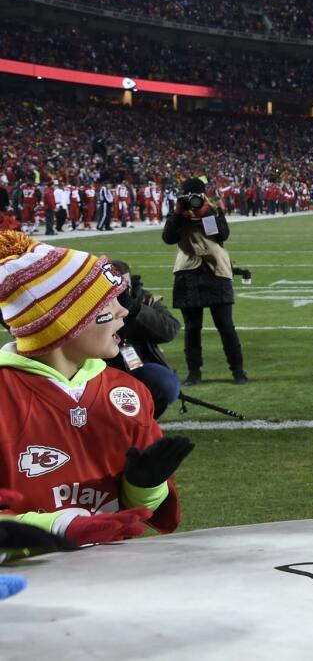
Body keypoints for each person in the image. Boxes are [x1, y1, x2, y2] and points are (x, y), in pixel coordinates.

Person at [0, 231, 191, 551]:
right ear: (62, 321)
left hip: (113, 584)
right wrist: (60, 528)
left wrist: (144, 485)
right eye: (107, 303)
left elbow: (145, 511)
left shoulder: (128, 392)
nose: (124, 312)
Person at [162, 177, 248, 385]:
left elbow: (221, 235)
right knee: (192, 328)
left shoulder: (213, 209)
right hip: (188, 272)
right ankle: (194, 373)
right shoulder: (179, 213)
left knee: (226, 326)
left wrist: (205, 215)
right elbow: (168, 238)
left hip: (216, 270)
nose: (194, 199)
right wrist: (178, 215)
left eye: (197, 195)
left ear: (204, 194)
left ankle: (238, 371)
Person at [104, 260, 182, 420]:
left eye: (125, 286)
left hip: (137, 361)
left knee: (164, 383)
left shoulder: (145, 300)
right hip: (102, 363)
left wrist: (136, 309)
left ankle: (146, 422)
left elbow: (170, 330)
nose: (122, 291)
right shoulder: (92, 303)